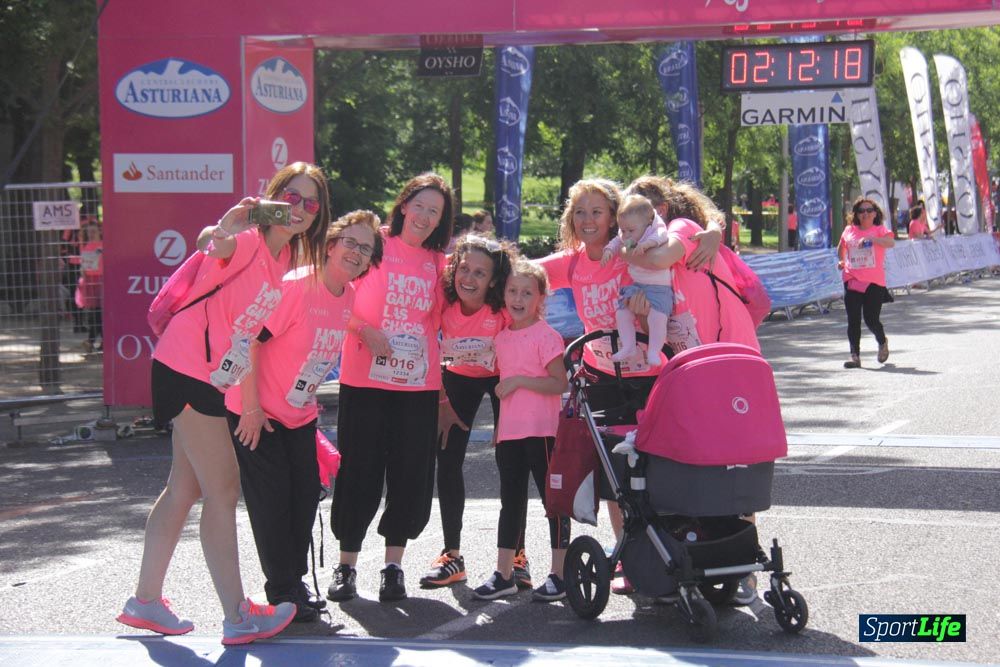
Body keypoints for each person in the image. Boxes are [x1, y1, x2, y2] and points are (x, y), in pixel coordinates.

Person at [118, 161, 331, 645]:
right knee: (224, 490)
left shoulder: (283, 263)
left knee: (183, 491)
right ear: (273, 199)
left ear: (318, 217)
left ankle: (145, 602)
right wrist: (227, 226)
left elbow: (244, 335)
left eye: (310, 203)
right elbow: (214, 243)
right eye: (291, 198)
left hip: (205, 376)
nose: (298, 209)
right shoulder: (253, 243)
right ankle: (237, 615)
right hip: (186, 371)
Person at [536, 176, 724, 597]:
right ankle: (628, 555)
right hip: (602, 376)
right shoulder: (572, 262)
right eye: (579, 212)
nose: (588, 220)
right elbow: (529, 272)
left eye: (597, 212)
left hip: (652, 373)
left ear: (614, 217)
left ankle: (666, 549)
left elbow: (678, 245)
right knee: (616, 474)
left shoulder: (631, 251)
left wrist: (713, 230)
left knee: (658, 468)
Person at [225, 210, 383, 623]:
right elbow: (248, 341)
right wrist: (252, 408)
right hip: (258, 413)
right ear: (331, 245)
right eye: (350, 242)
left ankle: (294, 583)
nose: (356, 252)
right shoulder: (296, 286)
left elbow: (340, 316)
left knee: (303, 500)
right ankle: (282, 591)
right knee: (273, 503)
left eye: (365, 248)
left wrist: (364, 330)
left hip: (300, 415)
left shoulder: (346, 293)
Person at [327, 173, 452, 604]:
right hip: (364, 381)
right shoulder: (372, 244)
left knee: (410, 475)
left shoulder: (439, 264)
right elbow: (331, 294)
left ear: (440, 221)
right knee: (359, 470)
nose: (424, 216)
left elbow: (446, 324)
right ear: (403, 206)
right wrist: (363, 330)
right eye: (419, 205)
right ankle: (346, 566)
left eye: (433, 211)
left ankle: (393, 566)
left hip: (416, 387)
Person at [419, 235, 535, 590]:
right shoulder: (445, 301)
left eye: (480, 273)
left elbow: (524, 349)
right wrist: (441, 404)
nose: (468, 278)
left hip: (503, 379)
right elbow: (427, 348)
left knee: (511, 462)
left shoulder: (503, 307)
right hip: (457, 378)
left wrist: (509, 416)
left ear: (494, 281)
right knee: (448, 459)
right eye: (464, 269)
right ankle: (452, 555)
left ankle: (517, 556)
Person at [471, 260, 570, 601]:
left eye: (527, 292)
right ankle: (504, 574)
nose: (518, 298)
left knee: (553, 504)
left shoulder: (547, 336)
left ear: (541, 297)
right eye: (513, 291)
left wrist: (518, 382)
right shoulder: (500, 338)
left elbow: (560, 383)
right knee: (510, 504)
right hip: (510, 435)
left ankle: (560, 573)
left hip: (542, 432)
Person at [601, 194, 672, 367]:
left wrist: (647, 245)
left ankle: (654, 350)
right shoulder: (627, 233)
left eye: (630, 231)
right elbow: (617, 240)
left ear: (648, 223)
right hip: (638, 285)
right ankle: (628, 346)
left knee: (657, 318)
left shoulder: (655, 229)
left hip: (659, 288)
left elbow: (662, 237)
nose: (626, 235)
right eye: (623, 230)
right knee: (622, 312)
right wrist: (609, 250)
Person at [838, 197, 895, 369]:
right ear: (856, 214)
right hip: (852, 279)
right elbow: (841, 247)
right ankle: (855, 356)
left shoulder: (880, 230)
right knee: (853, 319)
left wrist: (873, 239)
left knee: (871, 319)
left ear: (875, 213)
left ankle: (882, 341)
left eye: (869, 210)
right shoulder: (849, 230)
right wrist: (841, 261)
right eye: (861, 211)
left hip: (873, 282)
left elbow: (891, 243)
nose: (865, 214)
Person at [77, 222, 104, 352]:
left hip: (102, 280)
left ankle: (91, 340)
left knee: (98, 312)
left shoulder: (105, 245)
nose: (91, 234)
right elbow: (83, 265)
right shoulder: (86, 246)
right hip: (89, 281)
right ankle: (96, 340)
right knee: (94, 312)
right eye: (89, 232)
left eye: (93, 231)